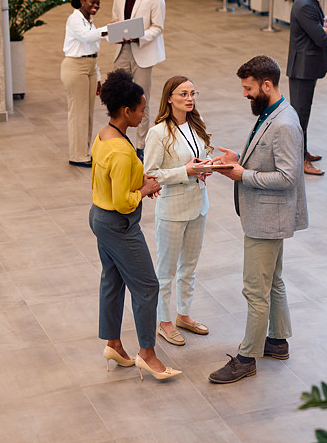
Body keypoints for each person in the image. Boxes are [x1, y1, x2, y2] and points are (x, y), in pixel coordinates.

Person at [208, 55, 308, 384]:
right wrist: (238, 160)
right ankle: (277, 341)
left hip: (267, 219)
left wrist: (242, 174)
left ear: (267, 85)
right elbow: (268, 159)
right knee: (273, 281)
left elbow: (288, 177)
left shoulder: (283, 123)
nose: (244, 94)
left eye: (249, 88)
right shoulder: (272, 112)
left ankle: (247, 356)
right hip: (267, 215)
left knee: (255, 289)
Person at [88, 68, 181, 381]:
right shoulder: (122, 151)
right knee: (147, 286)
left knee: (112, 281)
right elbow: (124, 201)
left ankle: (113, 343)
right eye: (141, 110)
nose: (145, 114)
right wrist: (146, 189)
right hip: (119, 224)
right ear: (126, 111)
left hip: (99, 217)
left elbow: (110, 176)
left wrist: (136, 179)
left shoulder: (105, 134)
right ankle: (147, 354)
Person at [143, 76, 212, 347]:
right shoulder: (159, 132)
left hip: (199, 205)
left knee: (190, 267)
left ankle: (184, 315)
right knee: (166, 270)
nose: (190, 98)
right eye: (183, 94)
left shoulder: (197, 123)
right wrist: (186, 170)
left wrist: (207, 166)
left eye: (193, 93)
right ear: (169, 98)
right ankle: (164, 321)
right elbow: (151, 174)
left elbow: (201, 155)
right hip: (172, 209)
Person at [112, 0, 166, 160]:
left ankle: (141, 146)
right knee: (119, 96)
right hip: (122, 50)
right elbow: (117, 18)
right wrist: (115, 29)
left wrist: (138, 37)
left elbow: (158, 27)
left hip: (143, 51)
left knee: (141, 99)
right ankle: (119, 138)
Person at [286, 0, 327, 176]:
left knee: (303, 115)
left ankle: (303, 152)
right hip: (302, 70)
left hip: (308, 68)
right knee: (299, 117)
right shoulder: (305, 3)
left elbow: (325, 28)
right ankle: (299, 161)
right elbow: (321, 37)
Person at [61, 0, 107, 167]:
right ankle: (77, 155)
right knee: (78, 113)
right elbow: (87, 38)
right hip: (75, 67)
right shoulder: (74, 19)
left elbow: (93, 50)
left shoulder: (89, 21)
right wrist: (109, 29)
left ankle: (85, 152)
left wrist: (97, 77)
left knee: (87, 113)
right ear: (82, 1)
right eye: (92, 2)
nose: (95, 6)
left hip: (89, 67)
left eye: (98, 4)